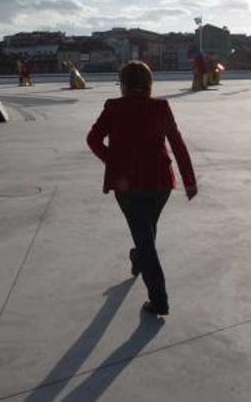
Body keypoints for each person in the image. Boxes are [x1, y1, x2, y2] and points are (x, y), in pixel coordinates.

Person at [87, 61, 198, 316]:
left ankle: (159, 300)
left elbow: (93, 139)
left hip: (128, 184)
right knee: (147, 231)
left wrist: (113, 162)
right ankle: (138, 258)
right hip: (160, 183)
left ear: (123, 84)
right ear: (149, 84)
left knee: (145, 237)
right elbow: (177, 144)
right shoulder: (160, 107)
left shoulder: (114, 107)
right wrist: (189, 181)